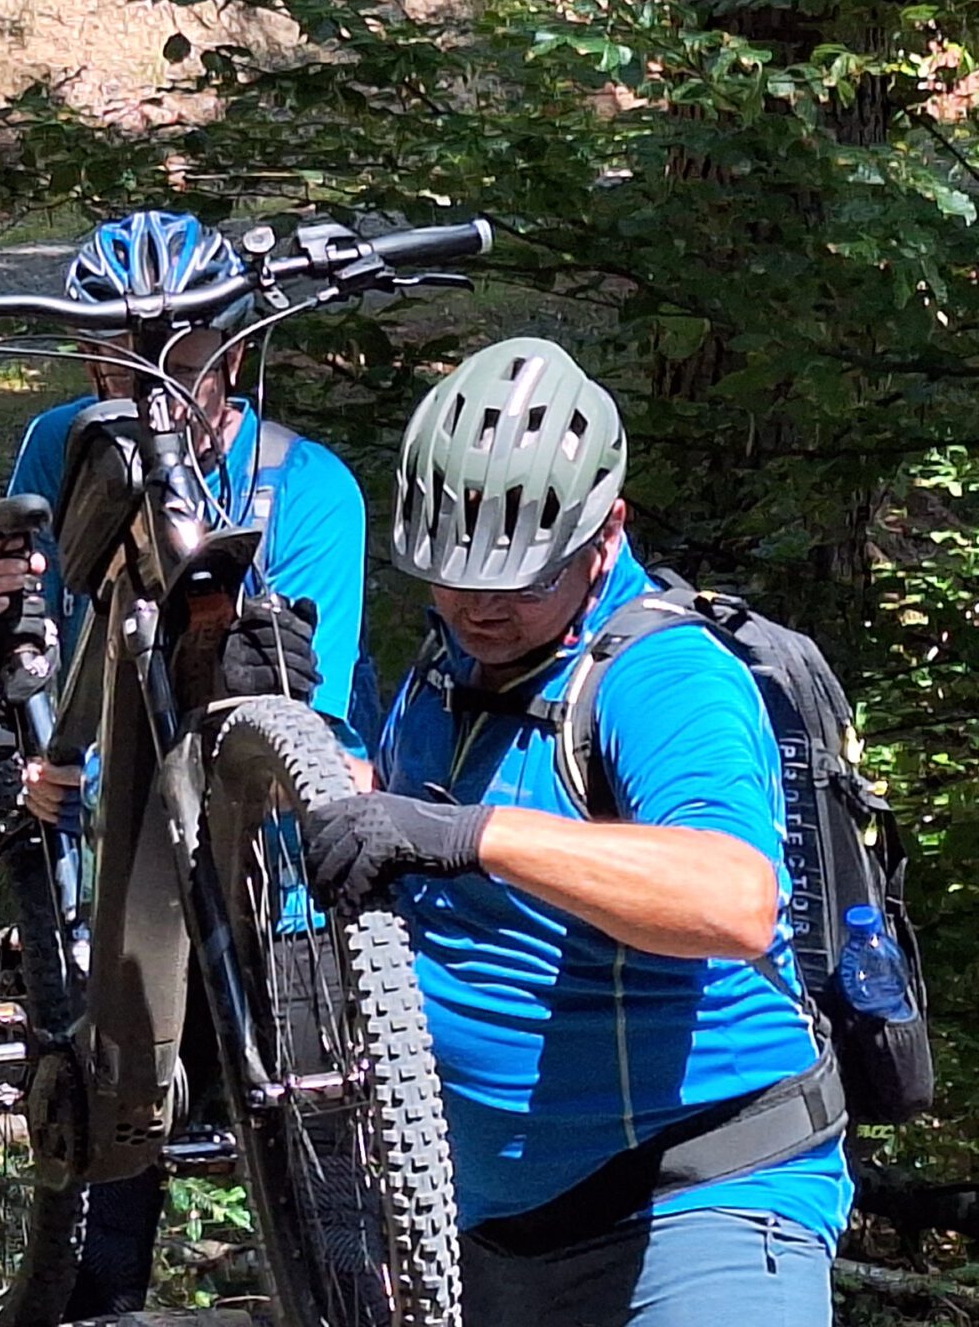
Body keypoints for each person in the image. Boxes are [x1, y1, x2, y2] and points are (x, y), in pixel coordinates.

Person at [304, 337, 847, 1327]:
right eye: (451, 575)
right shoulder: (453, 664)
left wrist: (477, 833)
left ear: (605, 535)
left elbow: (733, 897)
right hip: (497, 1226)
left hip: (700, 1195)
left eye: (516, 580)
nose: (477, 605)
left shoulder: (660, 678)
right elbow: (405, 816)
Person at [0, 210, 372, 1321]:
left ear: (230, 349)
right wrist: (13, 686)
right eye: (110, 356)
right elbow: (49, 636)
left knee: (326, 1205)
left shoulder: (306, 488)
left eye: (176, 356)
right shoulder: (63, 445)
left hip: (272, 888)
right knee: (102, 1203)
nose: (138, 383)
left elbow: (310, 721)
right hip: (112, 865)